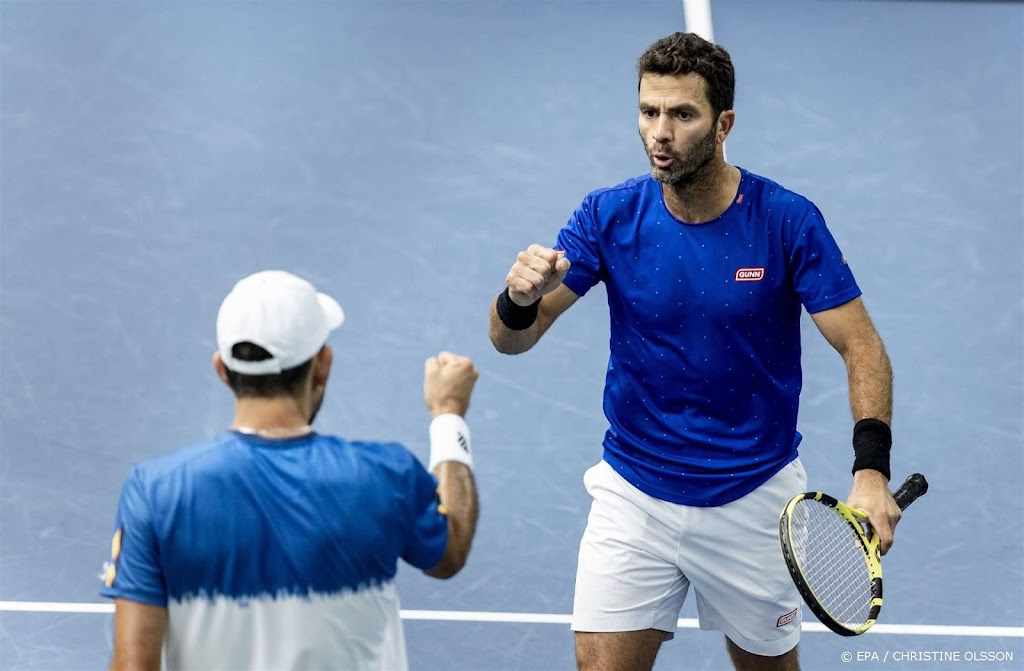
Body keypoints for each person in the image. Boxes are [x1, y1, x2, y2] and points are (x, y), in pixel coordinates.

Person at [489, 32, 899, 671]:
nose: (661, 132)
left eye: (682, 114)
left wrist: (871, 471)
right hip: (634, 493)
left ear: (723, 123)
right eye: (649, 112)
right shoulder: (608, 215)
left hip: (753, 496)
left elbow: (862, 346)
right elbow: (512, 339)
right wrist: (517, 298)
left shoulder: (787, 221)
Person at [100, 270, 479, 671]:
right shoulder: (385, 477)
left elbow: (132, 665)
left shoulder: (155, 492)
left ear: (221, 369)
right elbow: (449, 552)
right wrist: (448, 412)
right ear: (323, 364)